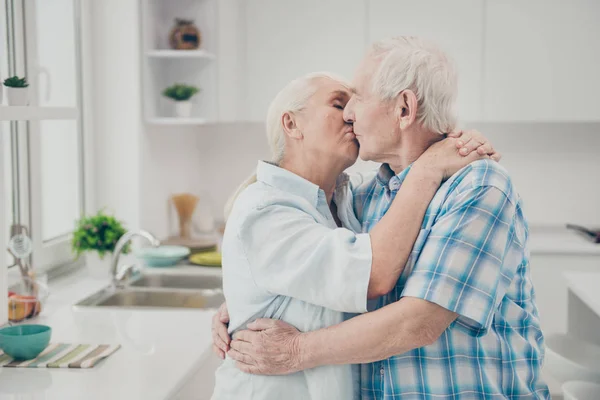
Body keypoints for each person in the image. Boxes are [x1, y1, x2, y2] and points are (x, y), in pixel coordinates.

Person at [215, 37, 549, 399]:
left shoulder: (479, 186)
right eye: (342, 102)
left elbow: (417, 323)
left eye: (357, 97)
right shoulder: (367, 198)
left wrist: (296, 350)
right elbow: (337, 267)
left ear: (404, 109)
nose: (349, 114)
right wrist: (247, 298)